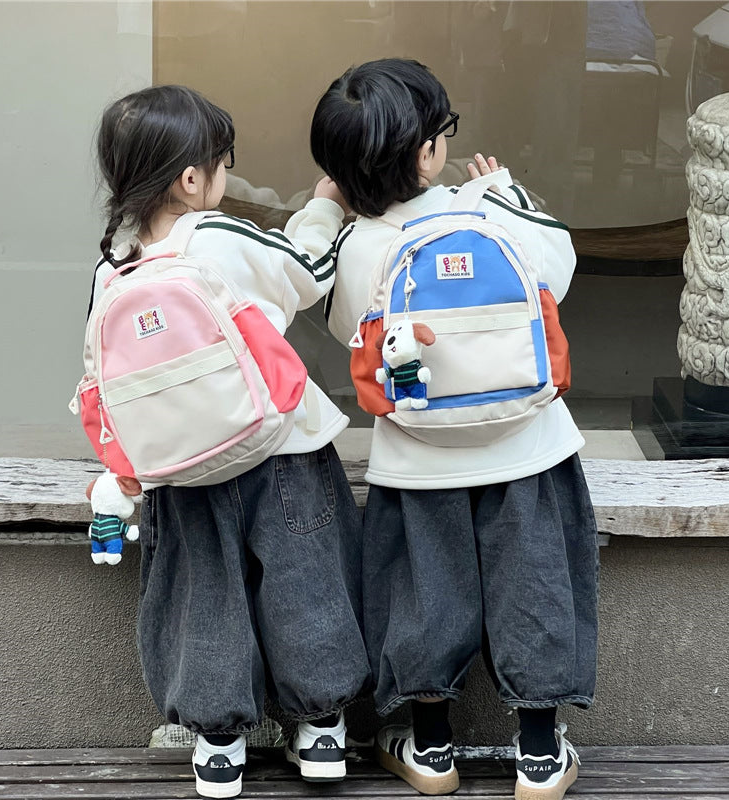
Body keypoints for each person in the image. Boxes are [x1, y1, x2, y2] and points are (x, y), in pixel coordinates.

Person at [312, 59, 598, 799]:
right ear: (430, 152)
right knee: (534, 589)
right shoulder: (490, 212)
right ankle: (539, 754)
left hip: (418, 460)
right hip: (529, 449)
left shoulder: (361, 246)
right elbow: (559, 270)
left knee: (423, 595)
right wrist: (505, 191)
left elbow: (349, 327)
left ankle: (431, 751)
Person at [90, 85, 371, 800]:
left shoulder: (112, 266)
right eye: (222, 164)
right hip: (279, 446)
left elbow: (101, 378)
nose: (224, 177)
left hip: (179, 471)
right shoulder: (216, 236)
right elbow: (306, 277)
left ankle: (219, 744)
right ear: (192, 179)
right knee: (305, 579)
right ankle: (322, 730)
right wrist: (327, 206)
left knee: (202, 593)